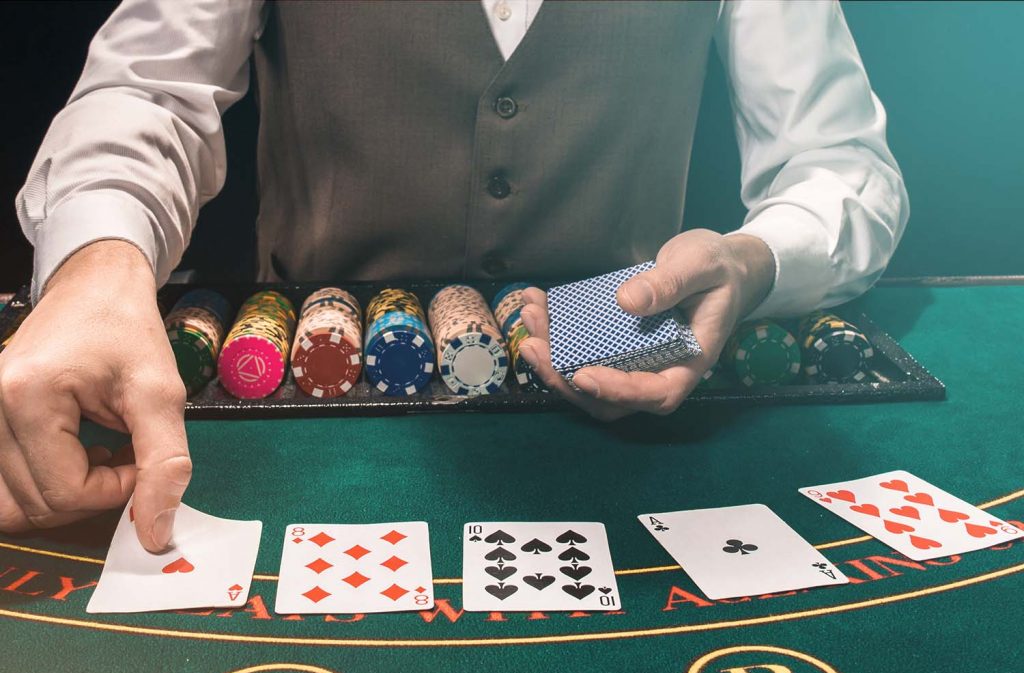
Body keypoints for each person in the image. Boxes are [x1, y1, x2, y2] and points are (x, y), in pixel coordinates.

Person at [0, 1, 908, 550]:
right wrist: (97, 263)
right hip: (314, 392)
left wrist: (756, 261)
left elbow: (840, 164)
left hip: (606, 335)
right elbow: (148, 88)